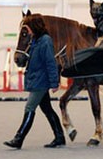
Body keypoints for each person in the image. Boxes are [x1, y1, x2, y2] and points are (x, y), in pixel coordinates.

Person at [4, 16, 65, 149]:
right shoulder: (35, 40)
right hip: (36, 78)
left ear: (35, 27)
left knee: (29, 107)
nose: (28, 30)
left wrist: (54, 82)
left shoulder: (45, 41)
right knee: (47, 109)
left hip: (41, 81)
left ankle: (18, 138)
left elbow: (50, 62)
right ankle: (59, 137)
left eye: (29, 28)